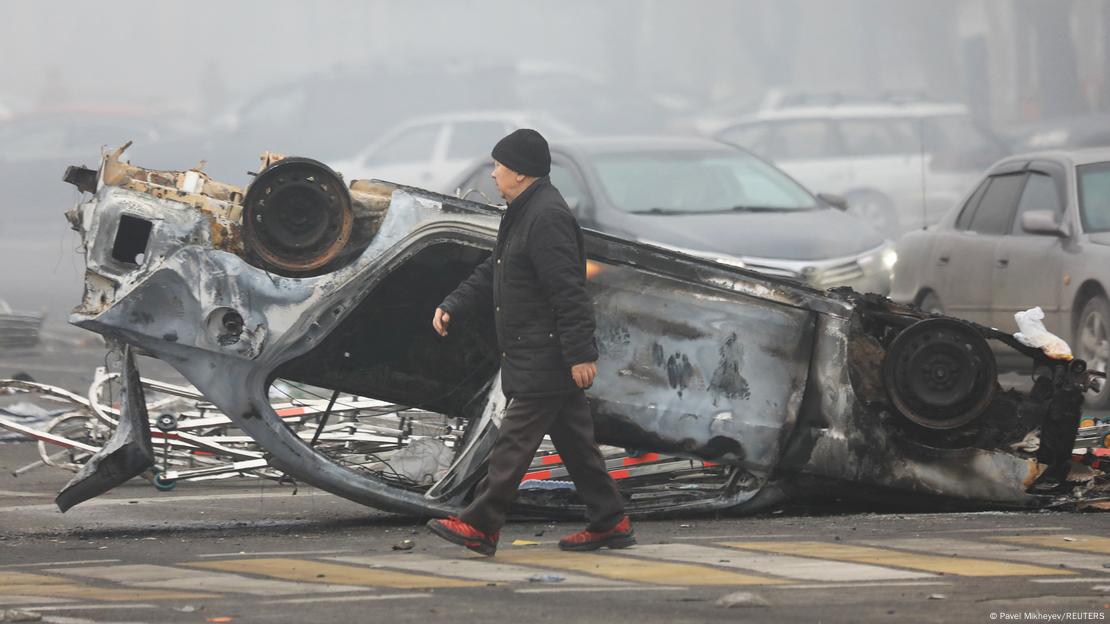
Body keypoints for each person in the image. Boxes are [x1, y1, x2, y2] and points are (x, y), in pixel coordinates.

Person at [426, 129, 633, 556]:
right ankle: (611, 521)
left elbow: (568, 289)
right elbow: (494, 271)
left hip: (548, 352)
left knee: (513, 445)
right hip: (536, 349)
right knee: (577, 447)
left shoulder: (546, 217)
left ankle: (481, 524)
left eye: (499, 166)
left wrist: (580, 354)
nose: (494, 174)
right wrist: (454, 303)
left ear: (519, 173)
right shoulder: (522, 211)